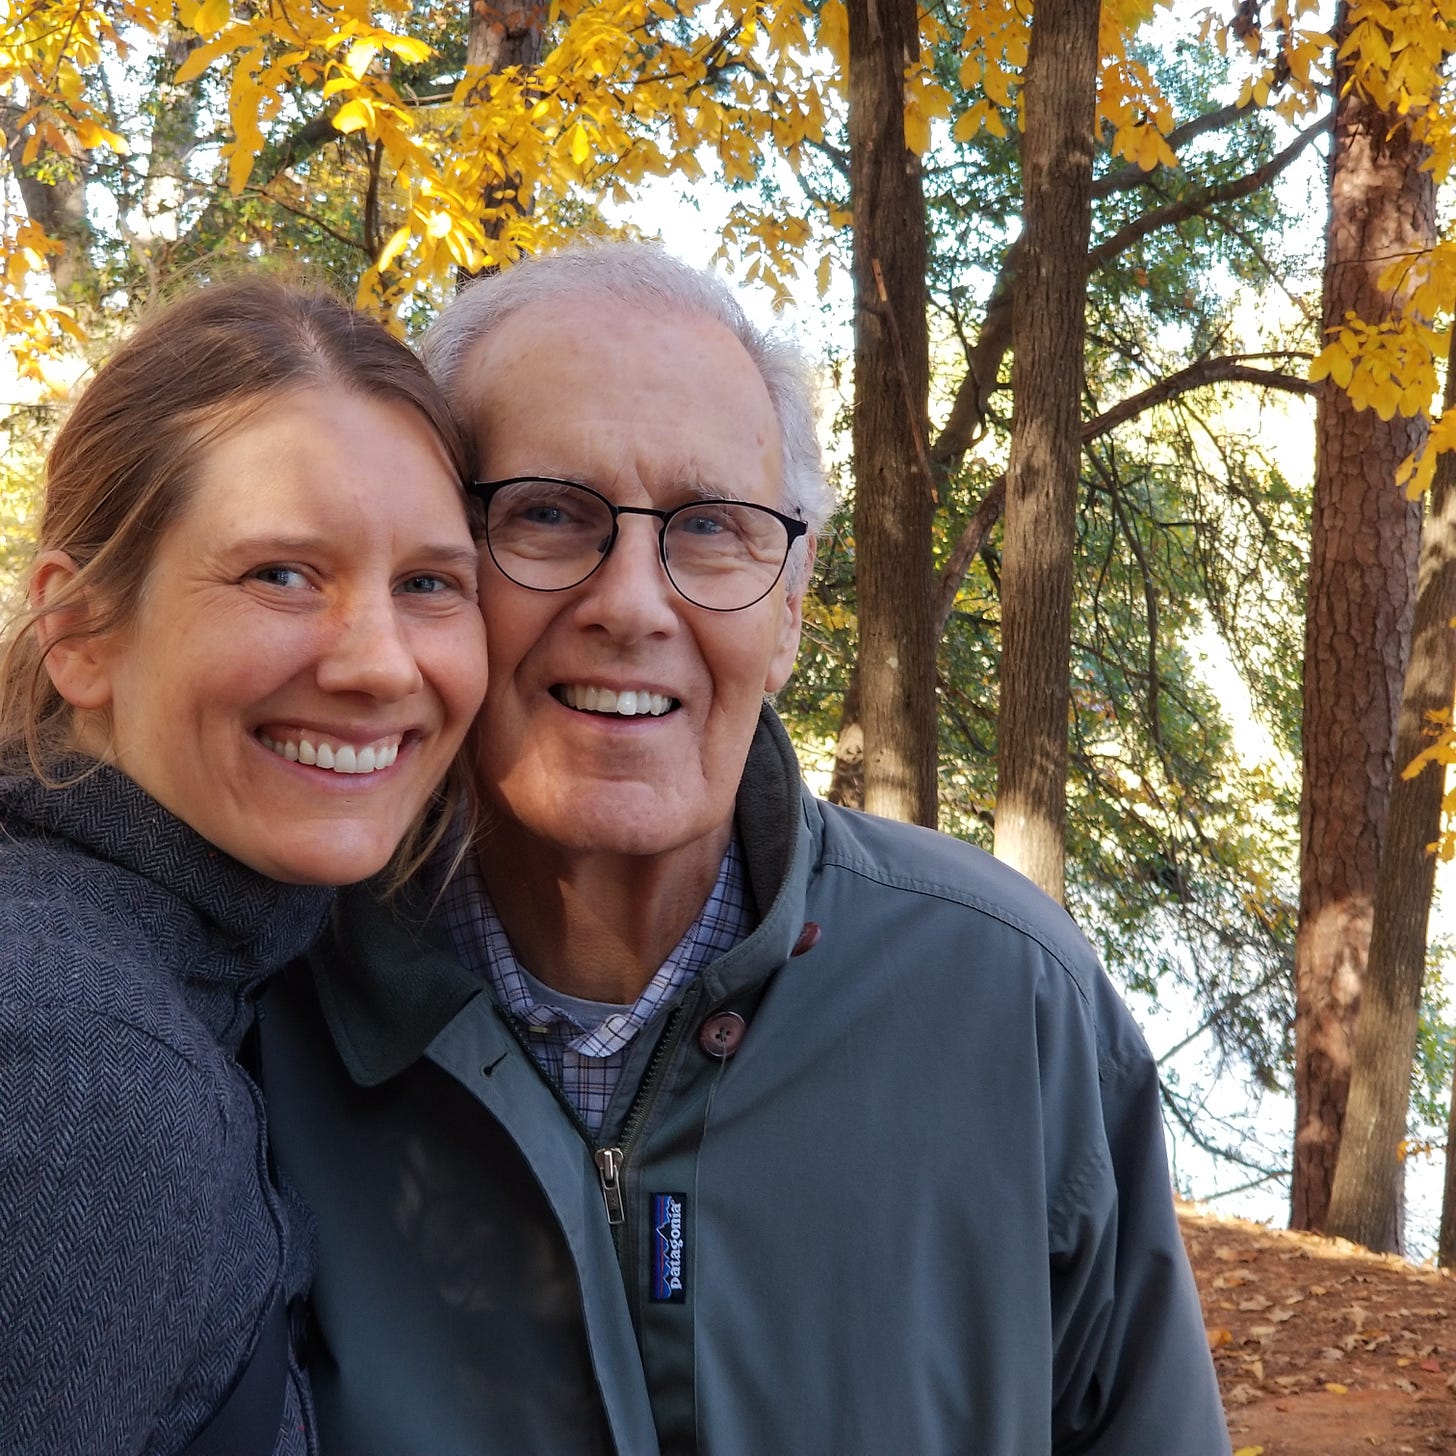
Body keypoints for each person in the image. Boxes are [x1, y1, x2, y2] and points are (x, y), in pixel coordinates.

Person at [259, 242, 1231, 1455]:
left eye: (710, 527)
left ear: (787, 607)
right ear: (433, 573)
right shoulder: (256, 1011)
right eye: (548, 515)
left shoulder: (1006, 999)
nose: (631, 601)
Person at [0, 277, 489, 1455]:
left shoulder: (170, 970)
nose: (378, 663)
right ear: (79, 632)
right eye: (282, 574)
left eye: (429, 583)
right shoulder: (88, 1065)